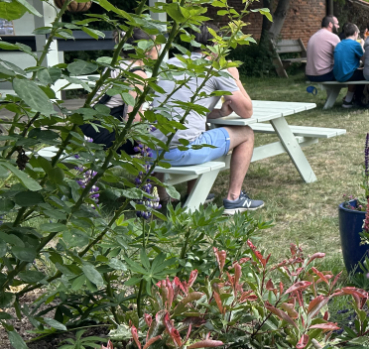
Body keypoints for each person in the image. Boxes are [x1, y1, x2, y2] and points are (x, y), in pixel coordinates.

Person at [151, 23, 262, 215]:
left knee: (199, 130)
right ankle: (234, 198)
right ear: (217, 44)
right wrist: (235, 77)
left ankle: (182, 194)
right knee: (246, 133)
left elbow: (180, 108)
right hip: (183, 152)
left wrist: (218, 114)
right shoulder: (215, 67)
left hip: (154, 150)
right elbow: (247, 111)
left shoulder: (170, 64)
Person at [82, 27, 158, 149]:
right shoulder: (137, 75)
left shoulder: (116, 66)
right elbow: (134, 118)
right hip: (106, 136)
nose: (159, 48)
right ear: (146, 49)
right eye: (156, 44)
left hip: (89, 129)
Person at [333, 22, 366, 108]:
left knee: (359, 72)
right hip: (347, 74)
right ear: (355, 33)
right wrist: (361, 45)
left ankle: (348, 100)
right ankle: (358, 99)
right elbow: (365, 60)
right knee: (367, 74)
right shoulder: (355, 44)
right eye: (358, 33)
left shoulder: (339, 44)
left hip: (337, 74)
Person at [305, 15, 340, 82]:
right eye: (337, 24)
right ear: (330, 24)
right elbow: (342, 57)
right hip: (324, 75)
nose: (338, 26)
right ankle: (351, 92)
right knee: (350, 74)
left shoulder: (313, 36)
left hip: (309, 75)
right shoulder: (333, 37)